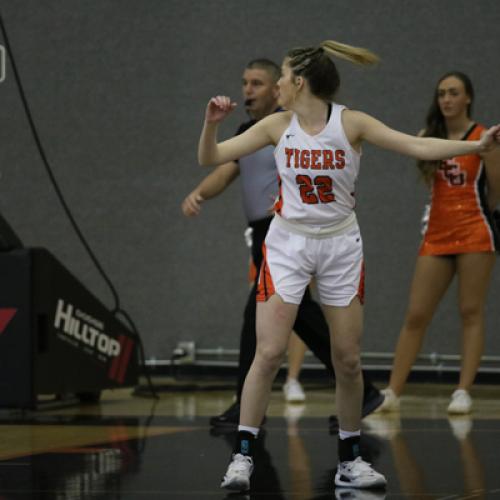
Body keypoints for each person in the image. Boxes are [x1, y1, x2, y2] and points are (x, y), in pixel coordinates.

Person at [197, 41, 500, 492]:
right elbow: (210, 158)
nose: (277, 83)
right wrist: (210, 125)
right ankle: (242, 457)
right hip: (288, 245)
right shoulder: (276, 125)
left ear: (299, 81)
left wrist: (476, 145)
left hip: (339, 245)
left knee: (349, 361)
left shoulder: (350, 122)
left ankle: (350, 458)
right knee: (269, 353)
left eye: (281, 75)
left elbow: (414, 143)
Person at [182, 58, 384, 423]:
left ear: (282, 87)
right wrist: (199, 192)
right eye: (244, 83)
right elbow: (224, 168)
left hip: (293, 233)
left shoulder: (294, 126)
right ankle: (354, 386)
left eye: (257, 83)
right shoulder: (252, 129)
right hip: (268, 235)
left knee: (288, 317)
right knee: (275, 319)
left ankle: (356, 385)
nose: (248, 91)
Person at [376, 72, 500, 416]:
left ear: (468, 98)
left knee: (470, 311)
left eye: (454, 93)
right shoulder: (429, 137)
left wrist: (490, 155)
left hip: (475, 229)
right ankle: (393, 391)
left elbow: (496, 191)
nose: (446, 99)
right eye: (442, 93)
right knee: (416, 314)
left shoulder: (484, 137)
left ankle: (462, 391)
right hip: (437, 233)